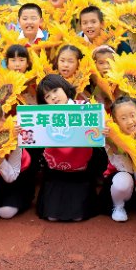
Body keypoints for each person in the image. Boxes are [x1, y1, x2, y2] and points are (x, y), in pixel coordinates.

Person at [35, 74, 97, 222]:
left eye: (55, 90)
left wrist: (102, 130)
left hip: (80, 169)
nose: (53, 97)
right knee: (51, 217)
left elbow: (96, 133)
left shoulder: (85, 107)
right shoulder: (43, 115)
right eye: (47, 96)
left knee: (78, 217)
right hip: (55, 170)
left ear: (64, 88)